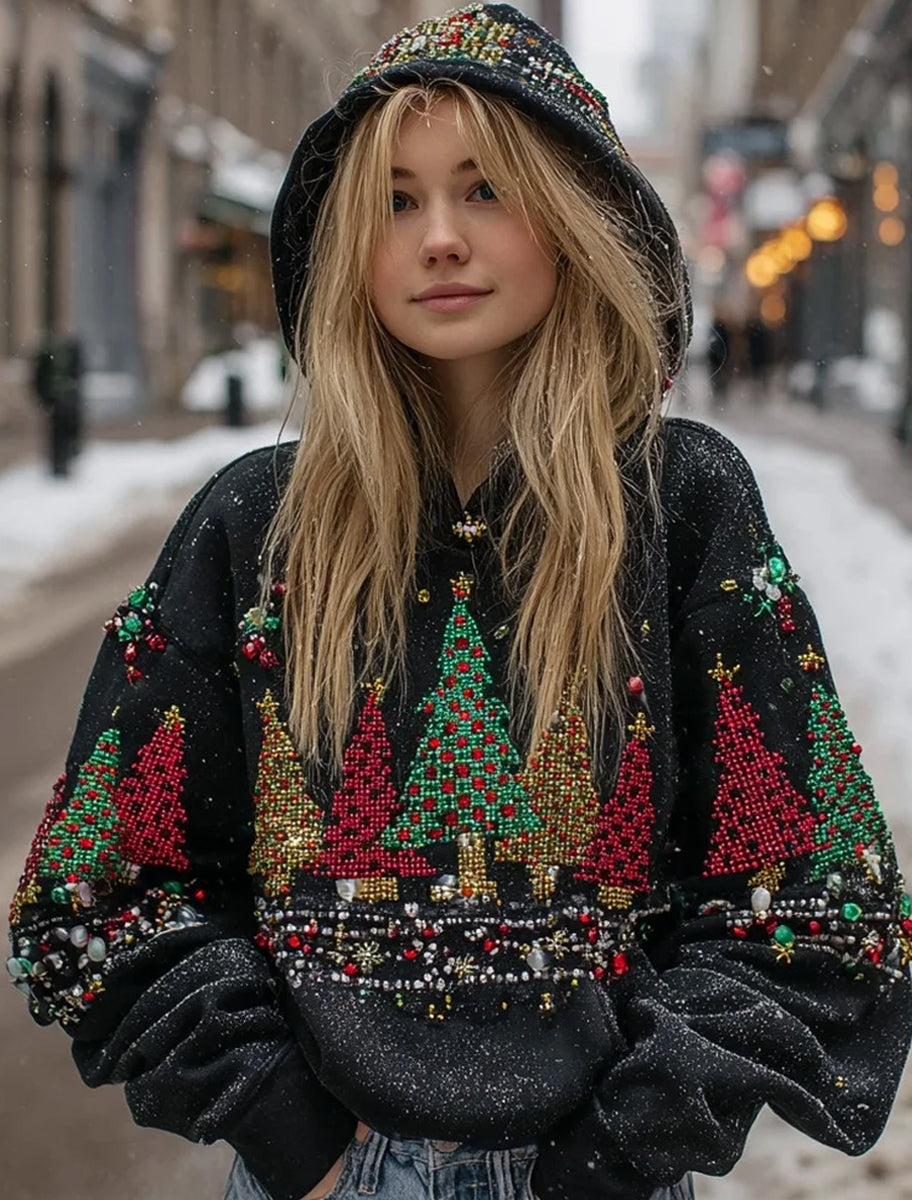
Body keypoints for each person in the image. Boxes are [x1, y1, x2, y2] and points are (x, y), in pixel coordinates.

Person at [7, 7, 911, 1200]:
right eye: (393, 199)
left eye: (485, 190)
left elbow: (813, 899)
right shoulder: (253, 526)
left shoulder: (682, 507)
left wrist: (618, 1153)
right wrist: (293, 1137)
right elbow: (102, 889)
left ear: (573, 218)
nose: (437, 238)